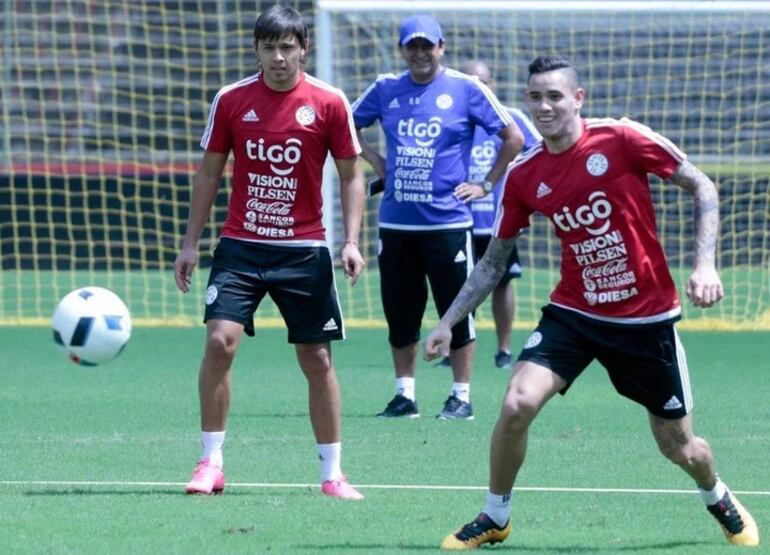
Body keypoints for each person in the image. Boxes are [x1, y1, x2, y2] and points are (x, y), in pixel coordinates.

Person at [425, 55, 759, 548]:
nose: (544, 106)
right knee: (517, 402)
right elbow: (494, 261)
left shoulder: (622, 139)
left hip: (646, 319)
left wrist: (705, 264)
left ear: (578, 98)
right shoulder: (523, 175)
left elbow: (702, 187)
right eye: (535, 96)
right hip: (575, 313)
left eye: (554, 96)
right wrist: (448, 321)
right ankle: (496, 516)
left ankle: (717, 496)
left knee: (679, 446)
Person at [173, 5, 366, 500]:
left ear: (304, 48)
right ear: (256, 49)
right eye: (268, 47)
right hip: (240, 246)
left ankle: (332, 473)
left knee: (317, 360)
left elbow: (351, 175)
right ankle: (210, 463)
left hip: (304, 251)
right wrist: (190, 242)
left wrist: (350, 241)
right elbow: (209, 172)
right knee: (220, 342)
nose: (278, 57)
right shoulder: (232, 99)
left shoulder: (329, 102)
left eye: (287, 47)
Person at [352, 15, 525, 420]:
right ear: (402, 51)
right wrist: (376, 160)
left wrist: (485, 184)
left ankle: (461, 396)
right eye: (412, 46)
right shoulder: (385, 89)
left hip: (447, 223)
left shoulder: (467, 90)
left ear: (441, 47)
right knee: (400, 310)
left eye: (427, 45)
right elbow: (345, 124)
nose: (420, 53)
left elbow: (513, 137)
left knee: (457, 307)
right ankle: (404, 395)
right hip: (395, 223)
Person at [435, 60, 541, 370]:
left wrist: (528, 203)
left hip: (499, 220)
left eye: (483, 82)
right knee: (455, 285)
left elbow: (540, 154)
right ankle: (450, 346)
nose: (478, 87)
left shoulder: (511, 119)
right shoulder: (448, 116)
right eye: (471, 82)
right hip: (456, 219)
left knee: (502, 283)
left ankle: (504, 350)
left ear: (492, 84)